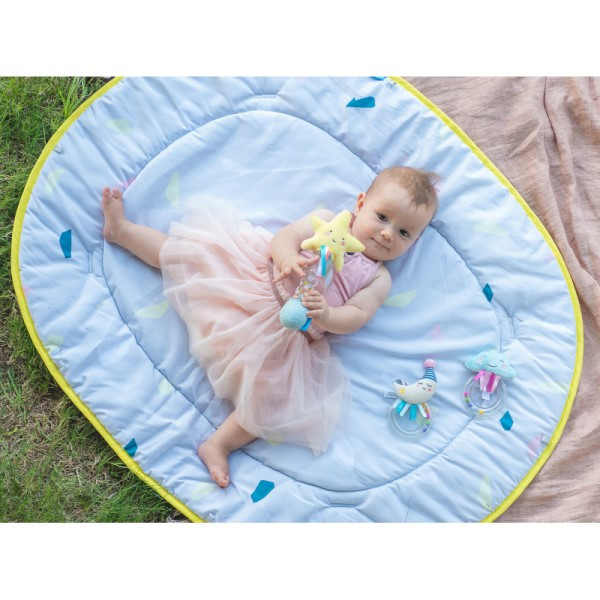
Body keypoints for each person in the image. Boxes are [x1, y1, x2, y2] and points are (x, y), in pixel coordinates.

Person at [101, 166, 439, 487]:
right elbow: (285, 236)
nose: (387, 233)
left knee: (272, 399)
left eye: (404, 233)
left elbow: (358, 315)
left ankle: (218, 445)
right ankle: (124, 232)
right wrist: (287, 257)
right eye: (383, 217)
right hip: (257, 281)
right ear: (361, 204)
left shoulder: (377, 278)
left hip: (291, 334)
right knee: (194, 254)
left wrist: (327, 316)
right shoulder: (328, 221)